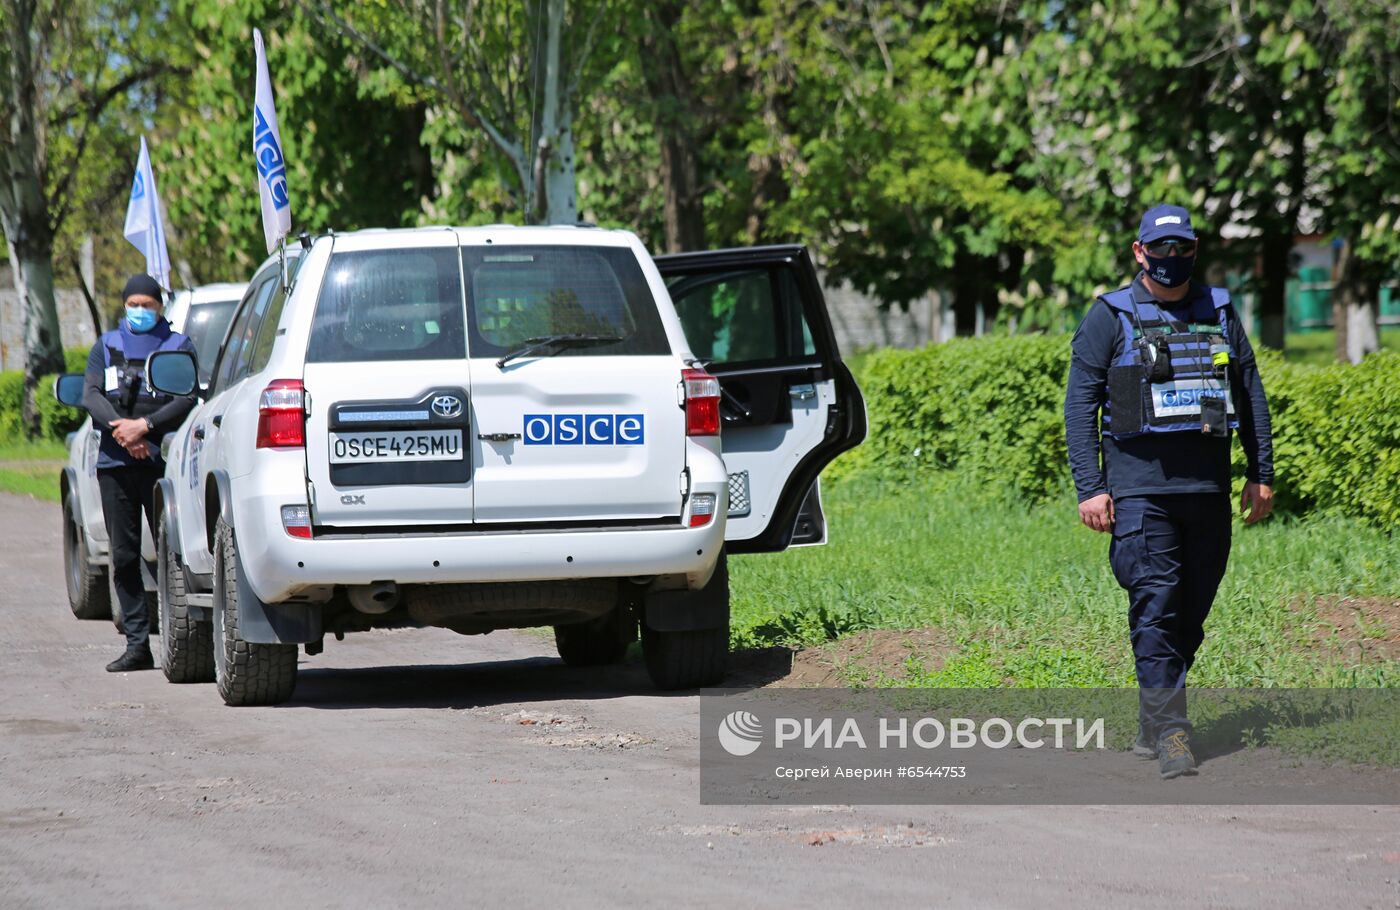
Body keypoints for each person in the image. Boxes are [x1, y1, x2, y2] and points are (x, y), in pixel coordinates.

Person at [1063, 205, 1274, 780]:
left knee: (1189, 616)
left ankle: (1152, 716)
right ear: (1139, 251)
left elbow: (1249, 392)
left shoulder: (1220, 311)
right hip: (1138, 493)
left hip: (1206, 490)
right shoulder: (1110, 315)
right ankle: (1173, 731)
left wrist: (1262, 472)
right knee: (1155, 605)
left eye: (1183, 247)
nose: (1171, 258)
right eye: (1162, 248)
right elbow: (1080, 406)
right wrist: (1091, 487)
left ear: (1195, 248)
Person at [83, 274, 198, 672]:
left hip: (161, 464)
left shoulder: (177, 345)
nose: (140, 310)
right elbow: (91, 395)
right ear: (123, 305)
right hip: (116, 465)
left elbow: (187, 397)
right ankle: (137, 645)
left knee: (175, 554)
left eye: (147, 304)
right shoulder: (107, 345)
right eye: (133, 303)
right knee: (124, 556)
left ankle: (183, 640)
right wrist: (123, 428)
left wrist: (146, 429)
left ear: (159, 306)